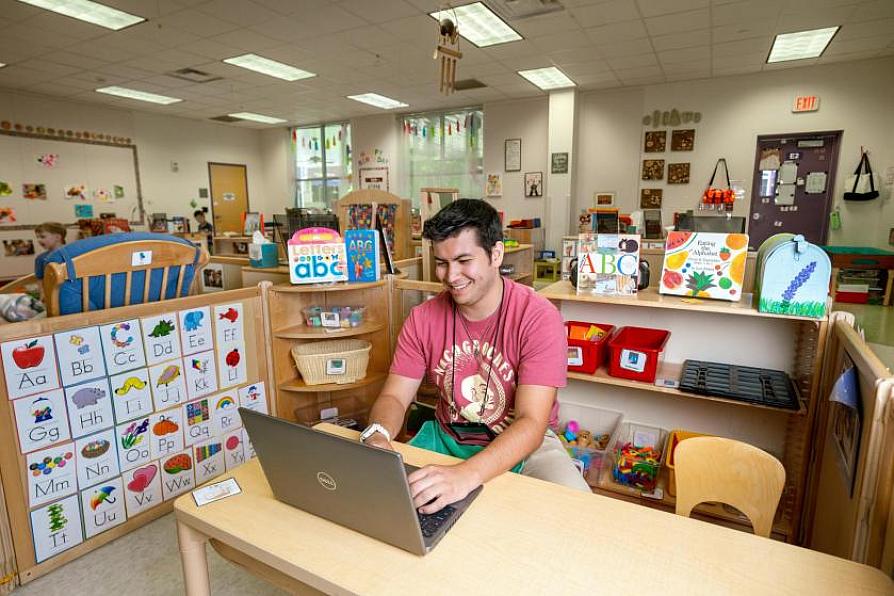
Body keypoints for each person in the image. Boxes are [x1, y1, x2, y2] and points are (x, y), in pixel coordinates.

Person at [361, 199, 589, 515]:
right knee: (378, 503)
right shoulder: (422, 318)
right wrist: (377, 434)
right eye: (442, 262)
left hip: (525, 445)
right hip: (447, 438)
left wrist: (466, 476)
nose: (451, 276)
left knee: (579, 508)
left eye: (464, 260)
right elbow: (395, 398)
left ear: (496, 254)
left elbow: (531, 422)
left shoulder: (539, 317)